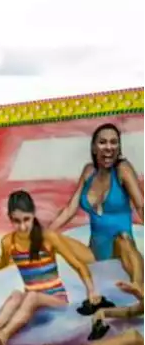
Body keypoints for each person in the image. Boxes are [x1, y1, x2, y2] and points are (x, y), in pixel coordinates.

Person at [0, 190, 100, 345]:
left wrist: (91, 291)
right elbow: (3, 261)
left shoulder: (47, 238)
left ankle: (4, 335)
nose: (22, 226)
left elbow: (78, 265)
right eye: (16, 221)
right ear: (10, 219)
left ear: (33, 215)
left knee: (31, 296)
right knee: (15, 295)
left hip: (56, 299)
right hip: (30, 299)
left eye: (26, 219)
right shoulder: (8, 242)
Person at [48, 122, 143, 288]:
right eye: (103, 142)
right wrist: (43, 235)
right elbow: (70, 209)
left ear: (119, 148)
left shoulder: (123, 169)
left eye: (114, 142)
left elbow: (141, 206)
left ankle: (138, 287)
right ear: (93, 148)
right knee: (52, 238)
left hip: (121, 253)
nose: (109, 147)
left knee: (123, 239)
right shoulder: (88, 171)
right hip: (94, 254)